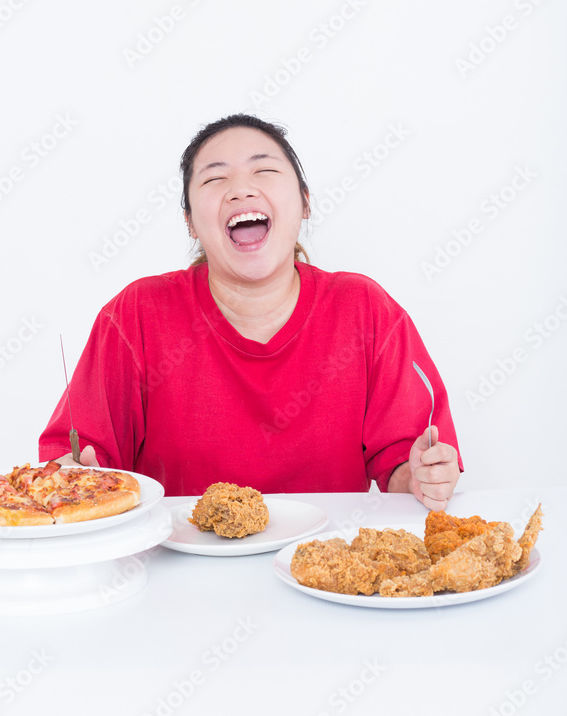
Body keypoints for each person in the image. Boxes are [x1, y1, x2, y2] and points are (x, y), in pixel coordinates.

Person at [39, 114, 462, 509]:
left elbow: (404, 467)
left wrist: (420, 477)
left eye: (265, 171)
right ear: (190, 222)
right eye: (215, 177)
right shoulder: (138, 314)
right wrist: (72, 475)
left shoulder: (364, 309)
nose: (241, 190)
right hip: (178, 559)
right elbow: (77, 460)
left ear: (305, 203)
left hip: (326, 557)